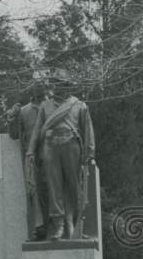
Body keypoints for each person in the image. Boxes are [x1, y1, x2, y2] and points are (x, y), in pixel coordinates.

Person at [26, 79, 96, 240]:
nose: (60, 86)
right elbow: (38, 130)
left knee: (75, 187)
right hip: (50, 147)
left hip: (71, 146)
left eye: (64, 83)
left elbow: (87, 129)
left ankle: (78, 223)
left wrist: (90, 152)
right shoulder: (45, 106)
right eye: (56, 83)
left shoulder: (79, 105)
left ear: (70, 85)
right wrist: (30, 151)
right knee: (54, 187)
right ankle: (58, 226)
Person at [8, 81, 51, 240]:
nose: (39, 88)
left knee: (55, 189)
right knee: (34, 191)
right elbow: (14, 135)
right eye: (36, 86)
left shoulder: (54, 107)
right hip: (32, 158)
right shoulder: (24, 111)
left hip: (53, 156)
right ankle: (40, 227)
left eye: (43, 85)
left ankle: (57, 225)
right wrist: (12, 118)